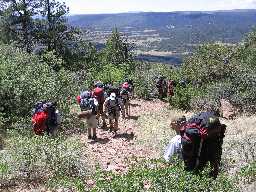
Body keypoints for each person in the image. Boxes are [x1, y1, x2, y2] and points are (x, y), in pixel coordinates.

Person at [164, 112, 226, 178]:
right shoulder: (200, 135)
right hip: (204, 174)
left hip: (185, 176)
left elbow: (167, 161)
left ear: (175, 124)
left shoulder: (175, 141)